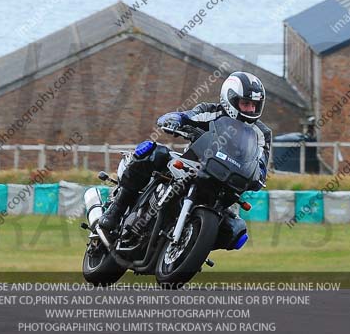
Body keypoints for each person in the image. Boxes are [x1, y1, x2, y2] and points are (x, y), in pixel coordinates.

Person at [98, 71, 272, 234]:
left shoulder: (262, 133)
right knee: (151, 151)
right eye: (246, 103)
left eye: (254, 105)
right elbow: (185, 116)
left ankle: (190, 246)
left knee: (235, 232)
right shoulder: (210, 112)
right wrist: (174, 120)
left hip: (226, 185)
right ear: (230, 99)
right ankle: (117, 208)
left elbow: (262, 165)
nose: (250, 110)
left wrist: (258, 175)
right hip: (191, 167)